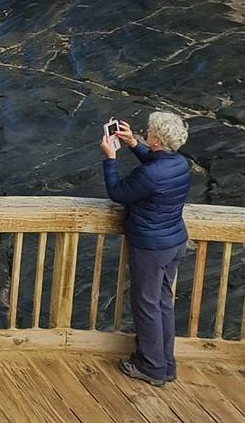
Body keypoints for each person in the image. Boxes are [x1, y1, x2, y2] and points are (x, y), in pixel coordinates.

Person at [100, 110, 192, 386]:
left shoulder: (150, 174)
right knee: (163, 303)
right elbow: (156, 164)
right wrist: (132, 143)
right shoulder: (180, 163)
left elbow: (118, 192)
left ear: (157, 140)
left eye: (149, 132)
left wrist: (111, 158)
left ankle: (151, 367)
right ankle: (166, 364)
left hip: (151, 247)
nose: (146, 133)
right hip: (175, 241)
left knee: (147, 305)